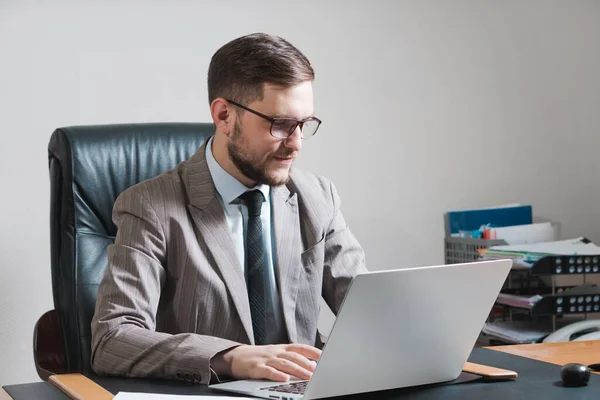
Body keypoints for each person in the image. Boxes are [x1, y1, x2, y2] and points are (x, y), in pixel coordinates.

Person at [90, 33, 367, 385]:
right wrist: (230, 357)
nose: (296, 143)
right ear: (223, 116)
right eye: (280, 124)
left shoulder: (318, 196)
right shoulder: (151, 207)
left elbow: (366, 311)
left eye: (304, 124)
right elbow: (112, 339)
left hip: (305, 390)